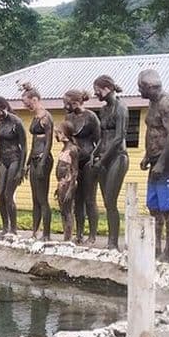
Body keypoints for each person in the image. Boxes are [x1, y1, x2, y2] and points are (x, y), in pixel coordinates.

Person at [138, 69, 169, 263]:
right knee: (153, 205)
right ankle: (155, 246)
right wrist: (147, 156)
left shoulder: (168, 103)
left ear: (149, 87)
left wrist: (162, 161)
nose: (139, 90)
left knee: (167, 207)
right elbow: (152, 132)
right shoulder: (152, 102)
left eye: (140, 87)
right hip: (155, 159)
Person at [92, 75, 129, 250]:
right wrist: (94, 154)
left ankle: (113, 242)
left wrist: (103, 159)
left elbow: (118, 138)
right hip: (103, 158)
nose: (95, 93)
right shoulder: (103, 110)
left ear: (107, 88)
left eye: (97, 89)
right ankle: (110, 240)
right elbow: (102, 137)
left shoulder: (121, 108)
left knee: (111, 200)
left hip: (117, 157)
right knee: (106, 201)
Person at [63, 89, 100, 244]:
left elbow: (99, 140)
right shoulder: (69, 117)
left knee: (90, 198)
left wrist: (94, 158)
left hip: (89, 160)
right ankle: (79, 233)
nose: (64, 105)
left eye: (66, 102)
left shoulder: (91, 117)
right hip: (75, 161)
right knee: (77, 198)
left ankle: (92, 235)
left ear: (75, 102)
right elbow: (68, 138)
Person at [21, 82, 53, 240]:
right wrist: (28, 163)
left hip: (43, 159)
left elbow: (48, 142)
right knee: (35, 198)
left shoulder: (47, 117)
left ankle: (46, 234)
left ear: (35, 99)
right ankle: (35, 231)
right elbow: (34, 141)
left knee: (42, 198)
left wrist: (42, 162)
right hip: (33, 158)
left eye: (28, 104)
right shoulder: (35, 117)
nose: (27, 107)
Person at [0, 96, 26, 235]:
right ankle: (5, 226)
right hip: (3, 159)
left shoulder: (16, 122)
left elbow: (24, 146)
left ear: (6, 108)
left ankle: (14, 229)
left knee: (8, 195)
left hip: (15, 158)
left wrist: (21, 168)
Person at [55, 121, 79, 242]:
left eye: (59, 132)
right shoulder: (64, 148)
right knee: (63, 211)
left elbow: (75, 171)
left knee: (68, 210)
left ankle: (68, 238)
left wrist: (70, 189)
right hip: (61, 183)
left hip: (68, 183)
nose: (58, 135)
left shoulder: (72, 149)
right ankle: (66, 235)